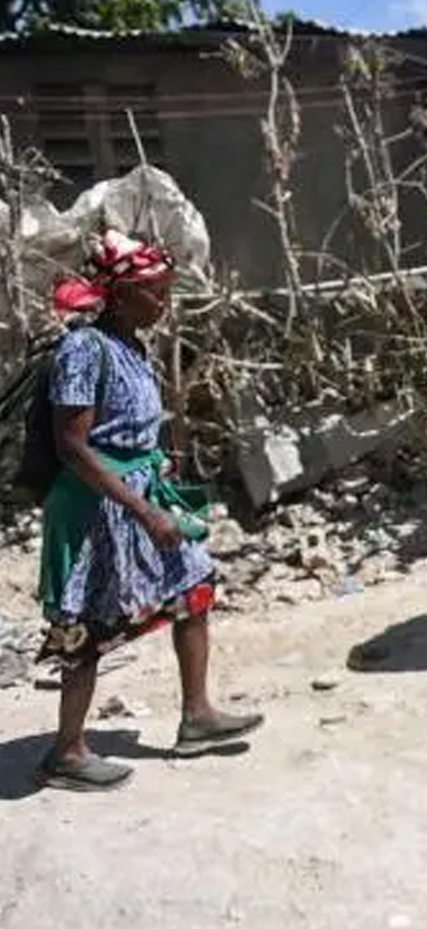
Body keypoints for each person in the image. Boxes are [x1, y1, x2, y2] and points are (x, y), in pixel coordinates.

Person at [33, 230, 262, 793]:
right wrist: (141, 509)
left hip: (140, 496)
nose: (163, 303)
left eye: (165, 291)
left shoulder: (132, 343)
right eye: (153, 292)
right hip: (96, 509)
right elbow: (74, 445)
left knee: (194, 588)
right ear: (118, 293)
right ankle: (66, 752)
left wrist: (158, 477)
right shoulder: (83, 350)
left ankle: (197, 716)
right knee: (87, 626)